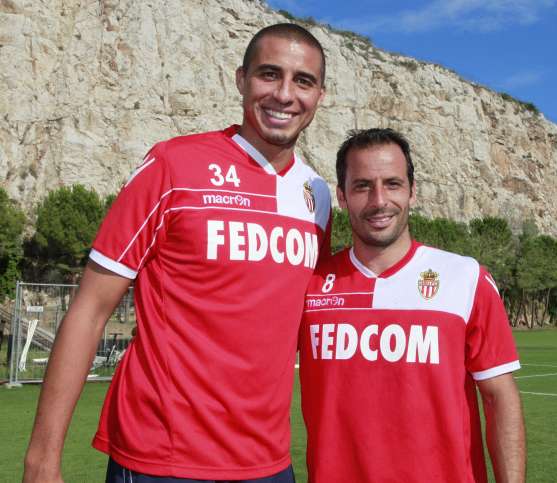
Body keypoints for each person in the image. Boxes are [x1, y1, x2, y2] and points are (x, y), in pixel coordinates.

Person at [23, 23, 331, 483]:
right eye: (270, 74)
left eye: (302, 80)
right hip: (161, 459)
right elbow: (89, 310)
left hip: (267, 465)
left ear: (319, 95)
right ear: (241, 79)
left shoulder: (317, 197)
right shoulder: (173, 165)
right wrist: (41, 462)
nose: (285, 94)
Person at [299, 128, 526, 483]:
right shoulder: (308, 285)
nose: (379, 200)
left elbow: (499, 397)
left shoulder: (465, 277)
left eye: (392, 183)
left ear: (412, 191)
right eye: (362, 186)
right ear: (342, 197)